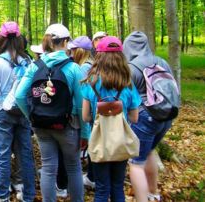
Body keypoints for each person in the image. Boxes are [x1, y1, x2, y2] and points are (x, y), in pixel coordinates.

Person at [15, 23, 88, 202]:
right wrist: (85, 132)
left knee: (48, 167)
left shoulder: (35, 66)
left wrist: (31, 116)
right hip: (68, 125)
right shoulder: (73, 69)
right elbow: (80, 104)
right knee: (73, 167)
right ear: (64, 42)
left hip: (41, 124)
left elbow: (19, 96)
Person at [82, 36, 141, 202]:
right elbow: (134, 118)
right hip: (120, 143)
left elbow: (85, 116)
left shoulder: (91, 83)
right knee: (117, 186)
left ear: (99, 56)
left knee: (101, 189)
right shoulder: (128, 84)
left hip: (99, 142)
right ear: (121, 58)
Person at [0, 22, 35, 202]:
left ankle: (3, 196)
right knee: (25, 154)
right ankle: (28, 195)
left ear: (2, 39)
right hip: (23, 112)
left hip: (2, 113)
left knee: (3, 155)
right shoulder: (28, 61)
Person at [123, 31, 174, 202]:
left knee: (136, 162)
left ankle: (142, 199)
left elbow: (127, 98)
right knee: (149, 152)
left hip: (145, 116)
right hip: (167, 115)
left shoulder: (131, 67)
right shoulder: (162, 62)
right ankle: (153, 194)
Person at [68, 35, 95, 189]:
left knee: (89, 141)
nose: (71, 53)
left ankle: (91, 176)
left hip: (86, 111)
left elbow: (82, 93)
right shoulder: (91, 64)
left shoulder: (83, 67)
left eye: (73, 49)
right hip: (91, 110)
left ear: (80, 51)